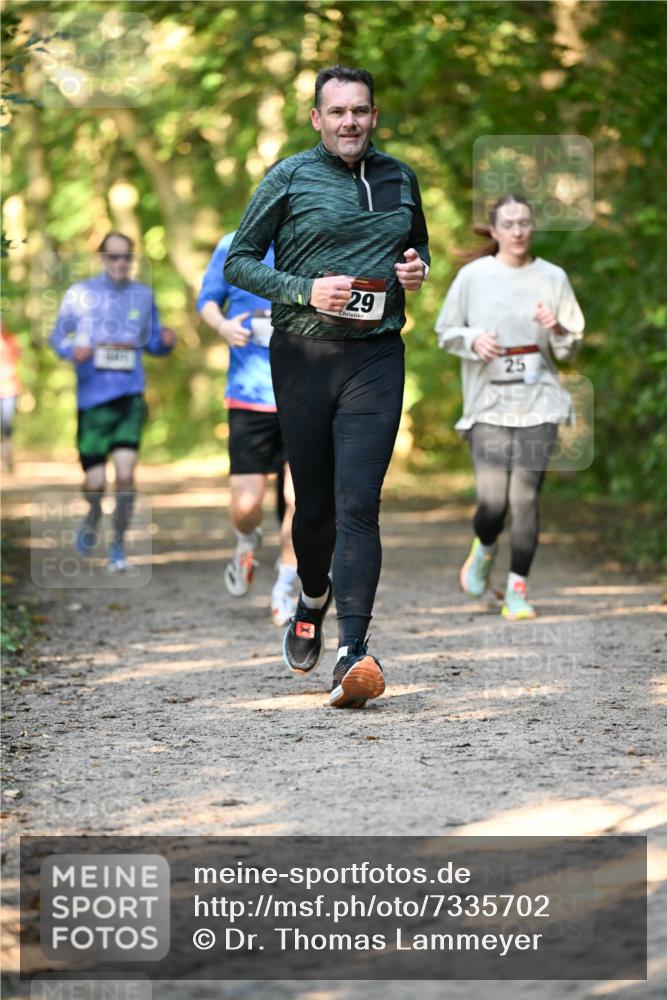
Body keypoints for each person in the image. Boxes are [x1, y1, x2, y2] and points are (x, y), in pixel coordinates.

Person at [224, 65, 430, 708]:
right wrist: (304, 290)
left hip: (375, 356)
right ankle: (311, 597)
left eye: (360, 111)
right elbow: (239, 261)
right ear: (317, 118)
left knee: (359, 502)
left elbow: (417, 248)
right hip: (304, 357)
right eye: (337, 111)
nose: (350, 121)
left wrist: (417, 271)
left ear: (374, 116)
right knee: (312, 510)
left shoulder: (401, 176)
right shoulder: (289, 177)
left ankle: (353, 652)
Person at [435, 194, 585, 620]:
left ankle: (517, 589)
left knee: (525, 499)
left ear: (532, 228)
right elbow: (446, 331)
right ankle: (484, 548)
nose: (518, 231)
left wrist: (556, 327)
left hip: (540, 402)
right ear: (495, 230)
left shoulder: (552, 277)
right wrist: (473, 340)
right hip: (488, 405)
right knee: (493, 503)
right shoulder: (473, 276)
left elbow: (570, 347)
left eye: (525, 223)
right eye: (510, 224)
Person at [49, 232, 176, 572]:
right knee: (95, 483)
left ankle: (117, 548)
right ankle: (92, 514)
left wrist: (166, 341)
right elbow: (57, 336)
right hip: (92, 399)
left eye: (126, 258)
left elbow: (154, 343)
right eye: (113, 257)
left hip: (129, 397)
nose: (120, 263)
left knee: (124, 476)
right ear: (102, 259)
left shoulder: (143, 295)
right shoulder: (80, 294)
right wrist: (71, 350)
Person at [197, 227, 298, 627]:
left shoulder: (307, 238)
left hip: (302, 396)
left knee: (301, 502)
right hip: (248, 396)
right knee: (246, 506)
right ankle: (246, 541)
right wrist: (223, 328)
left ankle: (285, 588)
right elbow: (207, 301)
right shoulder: (232, 243)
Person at [0, 324, 22, 474]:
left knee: (6, 425)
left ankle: (7, 455)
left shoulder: (11, 340)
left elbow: (15, 363)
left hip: (9, 389)